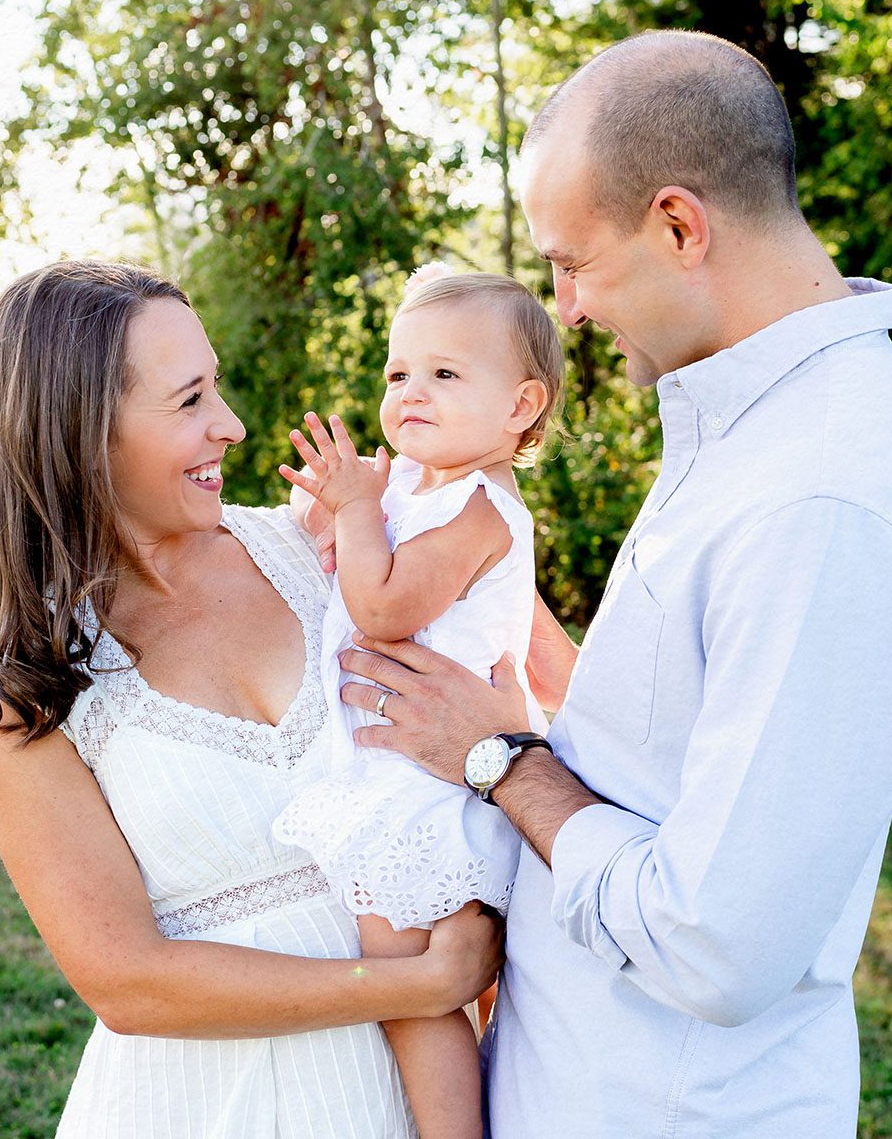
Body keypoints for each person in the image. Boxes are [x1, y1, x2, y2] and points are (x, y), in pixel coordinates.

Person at [328, 31, 892, 1137]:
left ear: (677, 225)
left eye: (574, 263)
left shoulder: (824, 495)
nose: (564, 308)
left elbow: (717, 940)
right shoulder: (758, 433)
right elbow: (660, 745)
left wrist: (499, 760)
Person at [0, 259, 503, 1139]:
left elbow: (531, 699)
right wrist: (417, 985)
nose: (229, 426)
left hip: (415, 1093)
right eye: (189, 400)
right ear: (83, 431)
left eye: (217, 391)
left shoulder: (324, 553)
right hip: (202, 1107)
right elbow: (125, 979)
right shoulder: (11, 674)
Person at [273, 268, 563, 1139]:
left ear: (520, 406)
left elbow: (386, 606)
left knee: (412, 990)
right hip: (394, 764)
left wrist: (360, 511)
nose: (411, 393)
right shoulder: (416, 487)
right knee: (409, 979)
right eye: (399, 374)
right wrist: (335, 512)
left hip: (426, 787)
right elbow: (338, 555)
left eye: (445, 374)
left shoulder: (483, 508)